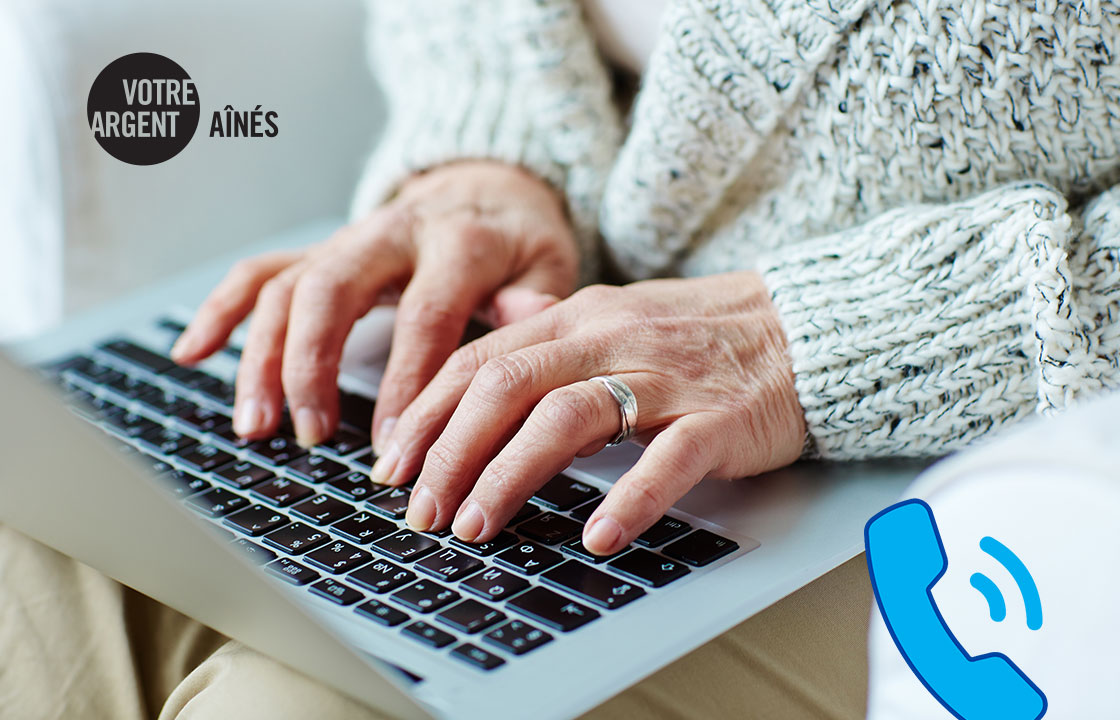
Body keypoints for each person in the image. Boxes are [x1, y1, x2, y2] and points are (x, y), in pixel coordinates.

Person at [4, 0, 1119, 718]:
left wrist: (831, 335)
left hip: (976, 463)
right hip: (536, 316)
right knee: (36, 523)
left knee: (297, 703)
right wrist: (489, 156)